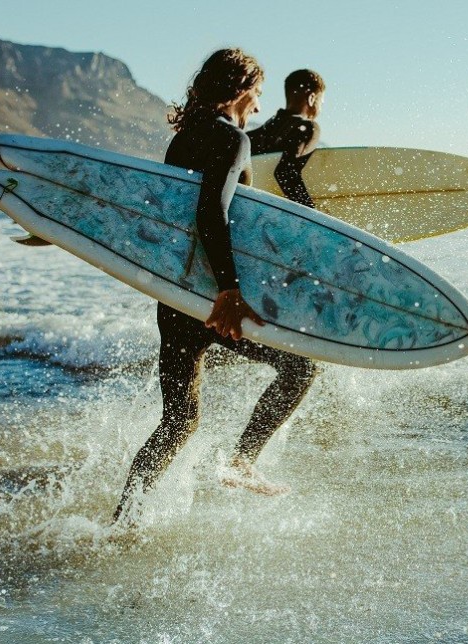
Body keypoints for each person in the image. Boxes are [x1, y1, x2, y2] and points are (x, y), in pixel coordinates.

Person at [113, 49, 318, 522]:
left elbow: (175, 217)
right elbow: (212, 212)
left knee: (179, 422)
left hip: (177, 296)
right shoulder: (231, 139)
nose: (259, 106)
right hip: (213, 297)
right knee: (300, 368)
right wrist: (229, 291)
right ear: (241, 89)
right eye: (258, 94)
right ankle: (243, 462)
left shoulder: (184, 139)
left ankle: (123, 522)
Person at [246, 69, 326, 208]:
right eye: (321, 102)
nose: (320, 108)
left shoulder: (254, 135)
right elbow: (285, 172)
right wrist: (311, 213)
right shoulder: (308, 127)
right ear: (312, 98)